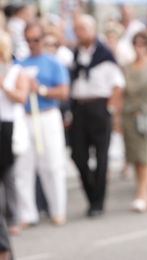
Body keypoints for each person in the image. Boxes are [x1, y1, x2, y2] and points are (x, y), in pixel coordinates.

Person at [14, 22, 69, 227]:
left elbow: (64, 92)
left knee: (52, 165)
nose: (32, 44)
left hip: (47, 115)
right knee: (23, 167)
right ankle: (28, 213)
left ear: (42, 39)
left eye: (35, 40)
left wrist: (42, 90)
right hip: (25, 117)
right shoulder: (20, 64)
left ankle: (57, 210)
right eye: (28, 40)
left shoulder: (53, 63)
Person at [70, 14, 125, 217]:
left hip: (99, 107)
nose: (79, 33)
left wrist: (110, 109)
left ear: (93, 30)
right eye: (76, 30)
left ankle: (97, 202)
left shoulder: (104, 54)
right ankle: (91, 192)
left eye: (82, 29)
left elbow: (118, 84)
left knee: (101, 156)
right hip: (79, 107)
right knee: (78, 155)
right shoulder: (76, 54)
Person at [121, 32, 147, 212]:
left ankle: (142, 193)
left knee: (144, 156)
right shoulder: (127, 66)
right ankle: (143, 191)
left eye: (143, 44)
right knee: (134, 156)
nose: (139, 48)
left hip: (146, 114)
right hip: (128, 115)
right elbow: (121, 92)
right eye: (136, 44)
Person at [0, 31, 29, 235]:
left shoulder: (16, 70)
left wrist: (4, 87)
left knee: (8, 176)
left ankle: (14, 217)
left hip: (8, 127)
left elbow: (21, 97)